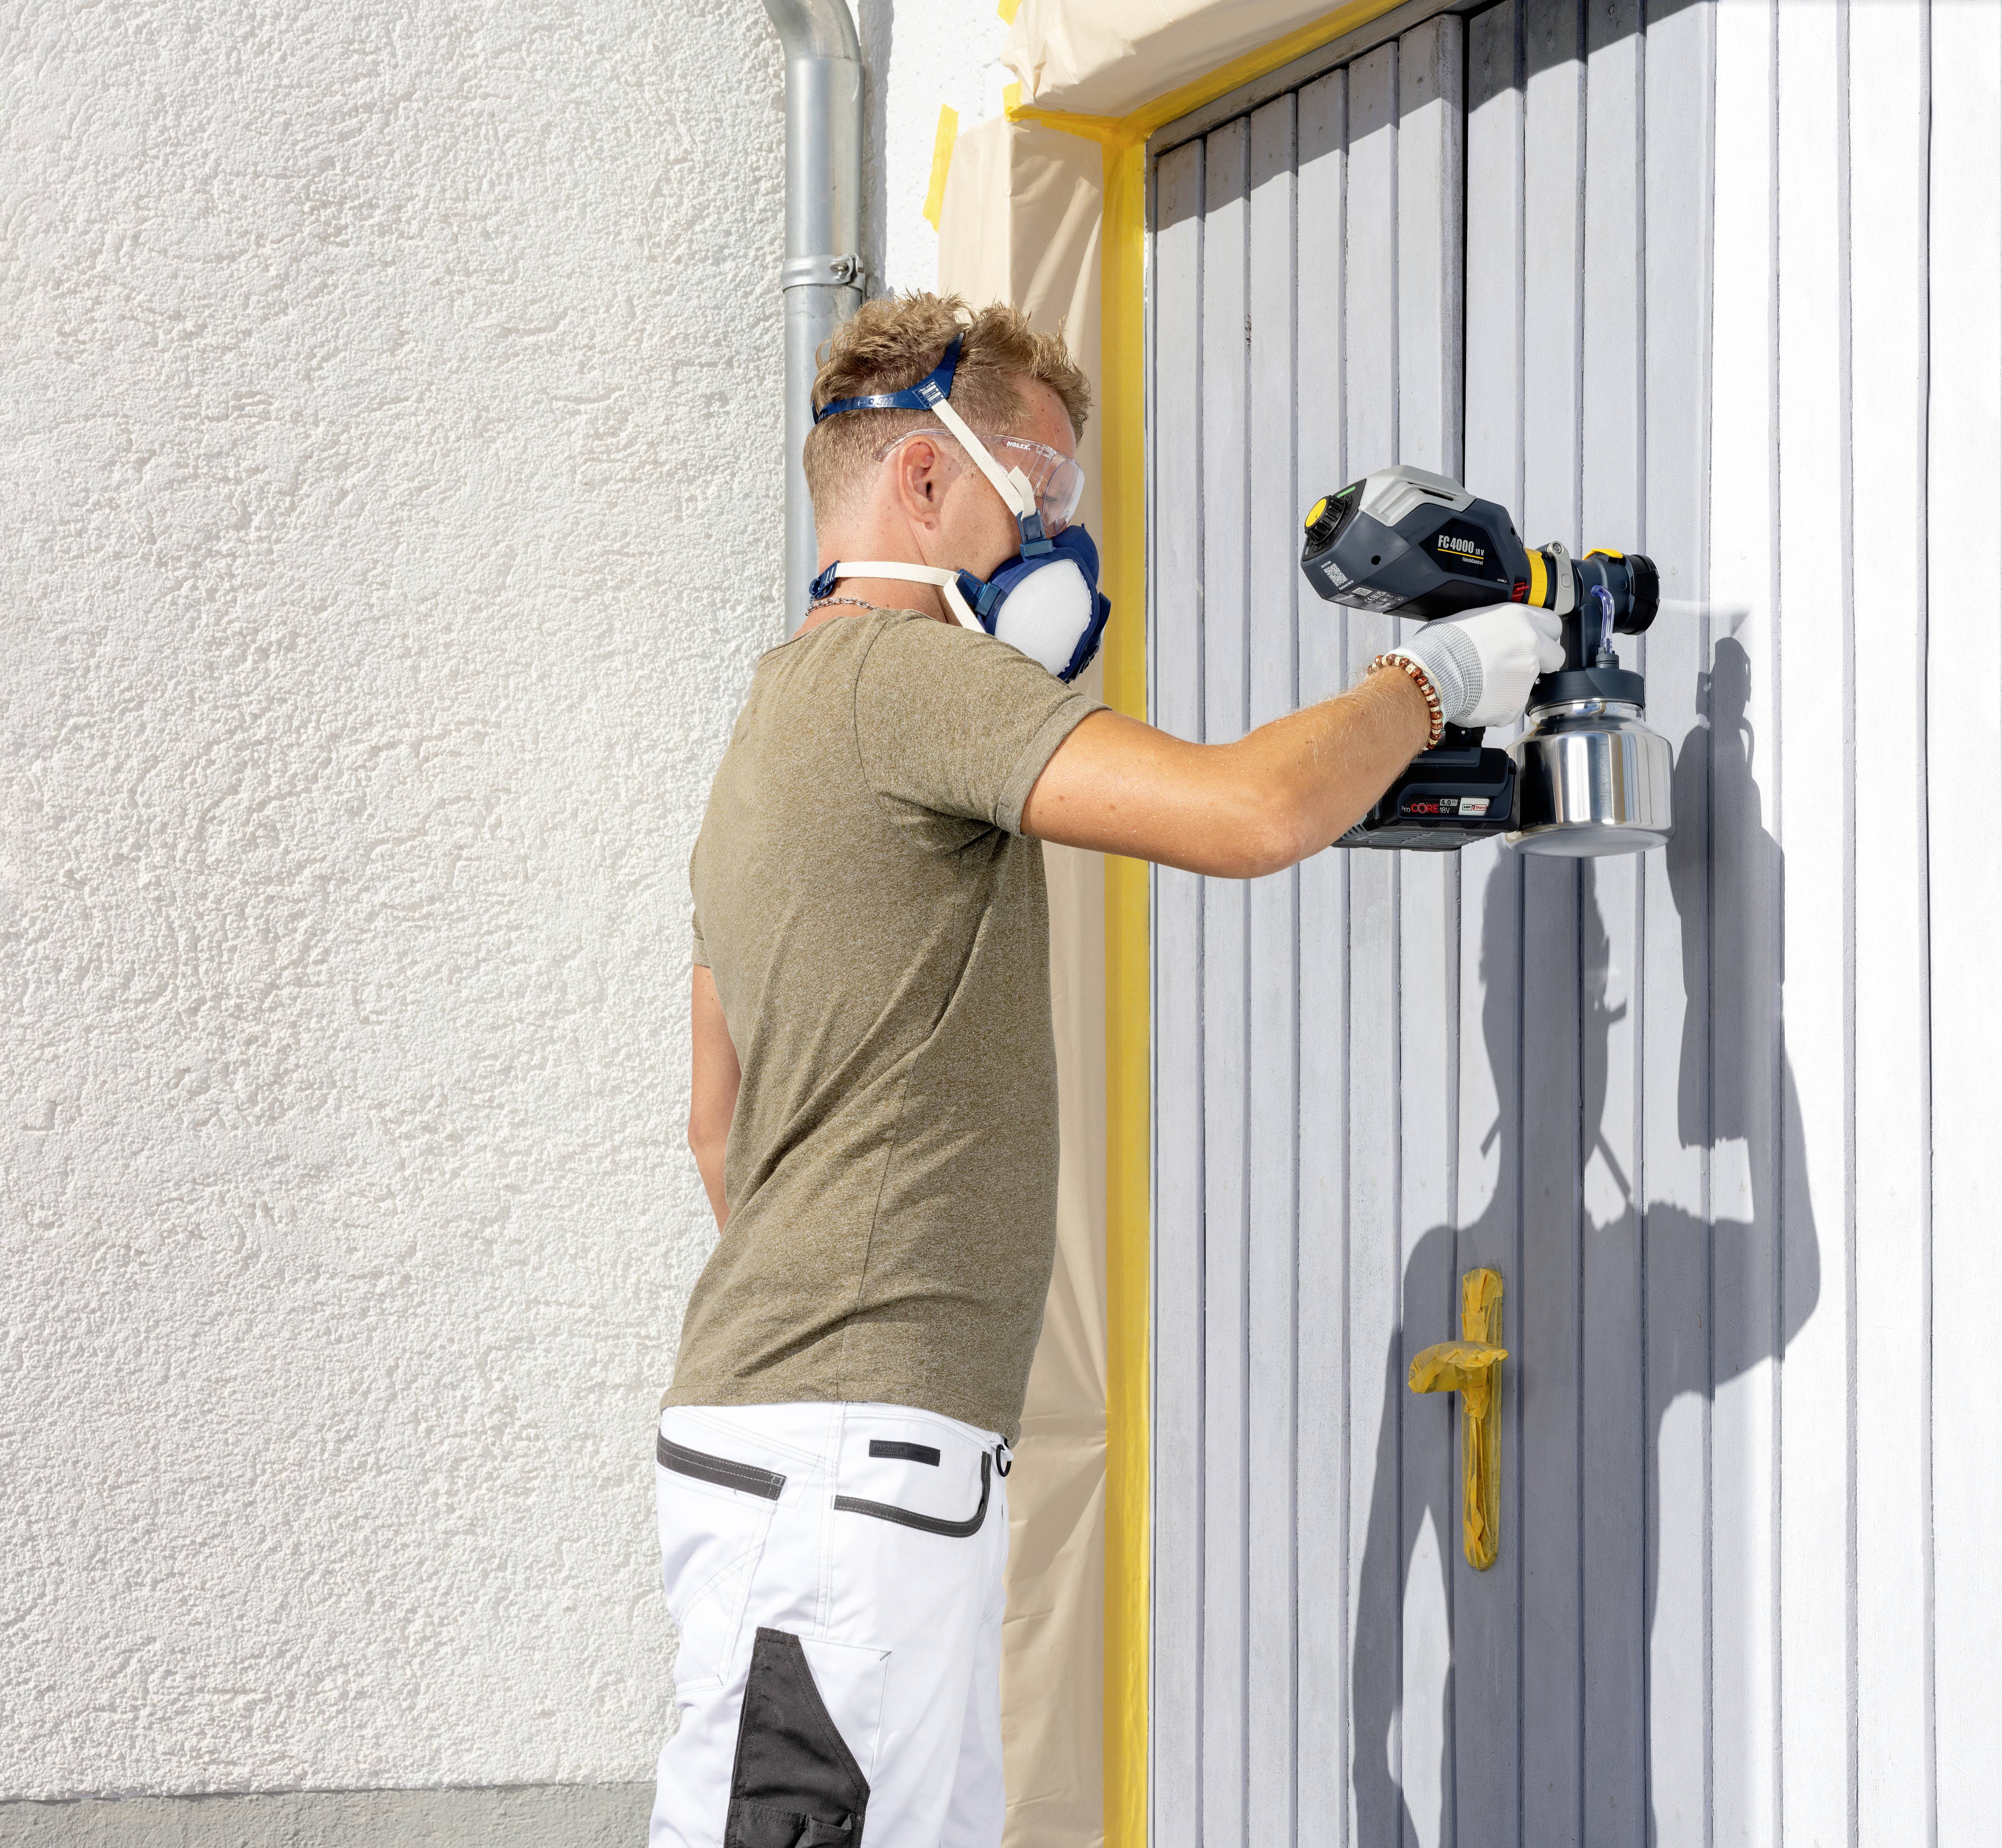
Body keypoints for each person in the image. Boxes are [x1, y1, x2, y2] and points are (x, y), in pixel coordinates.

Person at [649, 293, 1561, 1848]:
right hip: (849, 1473)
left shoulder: (769, 728)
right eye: (1038, 489)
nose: (1054, 540)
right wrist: (1437, 680)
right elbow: (1246, 815)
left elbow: (714, 1124)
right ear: (922, 480)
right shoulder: (908, 676)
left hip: (825, 1449)